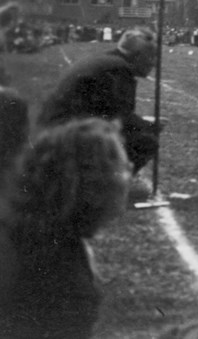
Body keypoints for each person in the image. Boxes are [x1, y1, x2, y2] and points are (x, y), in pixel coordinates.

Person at [0, 118, 132, 339]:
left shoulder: (20, 229)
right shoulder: (64, 276)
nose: (130, 171)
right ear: (95, 185)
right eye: (123, 168)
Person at [36, 27, 162, 183]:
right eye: (151, 57)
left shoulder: (106, 61)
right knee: (145, 140)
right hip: (64, 135)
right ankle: (109, 186)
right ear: (137, 56)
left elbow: (107, 111)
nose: (154, 63)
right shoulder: (119, 69)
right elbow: (121, 118)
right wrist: (151, 126)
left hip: (51, 130)